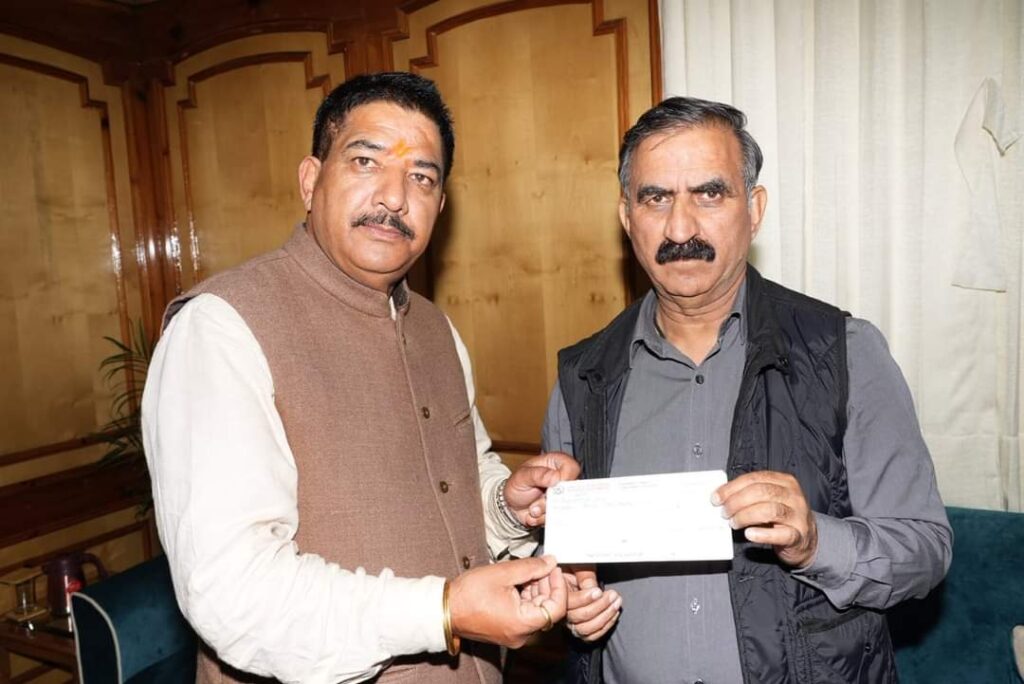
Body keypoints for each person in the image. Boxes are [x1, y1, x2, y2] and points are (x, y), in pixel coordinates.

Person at [142, 72, 576, 684]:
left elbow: (452, 485)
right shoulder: (221, 328)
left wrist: (506, 506)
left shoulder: (437, 329)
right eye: (366, 161)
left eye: (421, 177)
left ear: (440, 207)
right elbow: (234, 592)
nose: (395, 197)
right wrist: (442, 611)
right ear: (310, 180)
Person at [545, 96, 953, 683]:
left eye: (709, 194)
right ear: (627, 217)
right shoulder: (582, 377)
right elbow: (559, 560)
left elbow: (925, 550)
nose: (680, 228)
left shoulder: (844, 352)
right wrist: (566, 596)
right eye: (655, 198)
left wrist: (817, 542)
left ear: (755, 209)